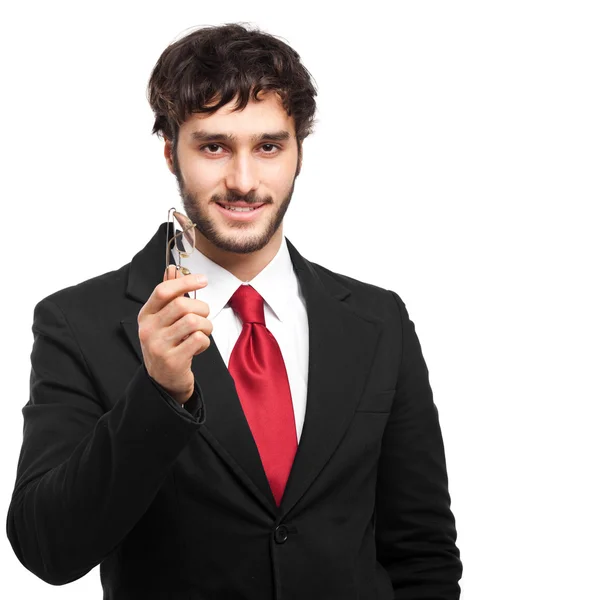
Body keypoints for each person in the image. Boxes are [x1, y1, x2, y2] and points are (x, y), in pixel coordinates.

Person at [6, 22, 462, 599]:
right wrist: (159, 395)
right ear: (171, 150)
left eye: (269, 146)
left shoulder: (379, 322)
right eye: (214, 146)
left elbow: (422, 554)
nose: (244, 182)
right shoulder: (80, 322)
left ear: (299, 153)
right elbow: (48, 549)